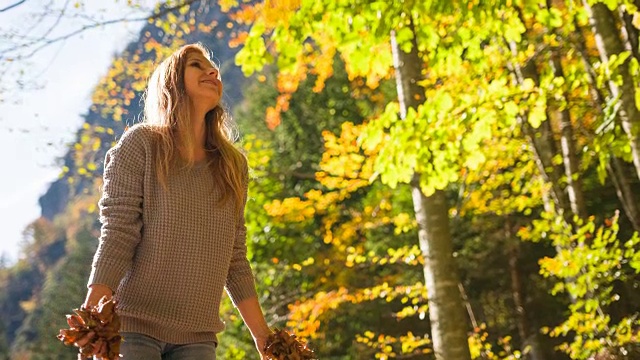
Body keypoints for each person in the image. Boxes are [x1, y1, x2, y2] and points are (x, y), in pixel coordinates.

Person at [83, 43, 271, 360]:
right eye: (196, 65)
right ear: (171, 81)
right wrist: (92, 317)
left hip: (198, 338)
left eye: (213, 67)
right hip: (132, 328)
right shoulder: (141, 144)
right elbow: (118, 232)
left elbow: (234, 256)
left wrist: (265, 339)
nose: (212, 71)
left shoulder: (232, 166)